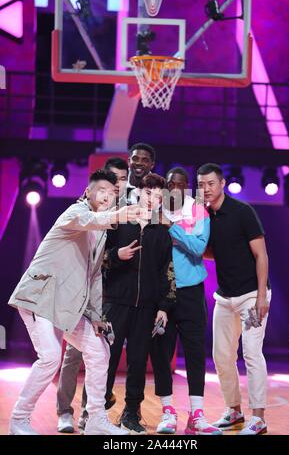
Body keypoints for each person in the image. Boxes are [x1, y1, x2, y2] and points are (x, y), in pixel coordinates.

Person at [8, 169, 139, 436]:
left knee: (99, 352)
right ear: (88, 192)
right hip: (40, 297)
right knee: (50, 357)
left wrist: (97, 316)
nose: (107, 196)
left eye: (113, 193)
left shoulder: (100, 232)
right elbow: (89, 219)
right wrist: (118, 215)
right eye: (101, 190)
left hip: (69, 306)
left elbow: (93, 277)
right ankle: (18, 420)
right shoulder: (74, 213)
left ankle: (95, 420)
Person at [197, 163, 271, 436]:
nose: (205, 189)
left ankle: (259, 418)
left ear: (222, 184)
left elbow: (261, 255)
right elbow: (216, 253)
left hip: (252, 295)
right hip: (225, 297)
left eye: (211, 183)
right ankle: (234, 411)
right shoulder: (204, 216)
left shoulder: (243, 212)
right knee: (221, 356)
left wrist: (262, 295)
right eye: (201, 184)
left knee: (252, 354)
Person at [56, 158, 129, 433]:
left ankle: (92, 415)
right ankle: (64, 411)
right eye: (114, 179)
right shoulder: (85, 208)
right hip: (78, 292)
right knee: (71, 355)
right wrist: (115, 256)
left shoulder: (128, 209)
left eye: (123, 179)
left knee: (99, 354)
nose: (118, 184)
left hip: (108, 292)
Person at [150, 167, 222, 436]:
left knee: (194, 353)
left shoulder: (198, 211)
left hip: (191, 290)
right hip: (161, 295)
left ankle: (197, 414)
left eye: (181, 184)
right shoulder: (155, 210)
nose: (176, 188)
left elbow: (198, 248)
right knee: (161, 353)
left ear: (187, 186)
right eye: (171, 184)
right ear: (166, 186)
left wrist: (173, 230)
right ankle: (167, 411)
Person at [102, 173, 174, 434]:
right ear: (138, 193)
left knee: (138, 360)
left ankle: (131, 413)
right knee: (105, 359)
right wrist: (116, 255)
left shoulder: (163, 232)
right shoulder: (119, 221)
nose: (152, 199)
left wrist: (164, 307)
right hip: (115, 303)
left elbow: (168, 271)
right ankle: (95, 411)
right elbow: (99, 258)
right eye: (148, 193)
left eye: (158, 196)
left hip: (146, 307)